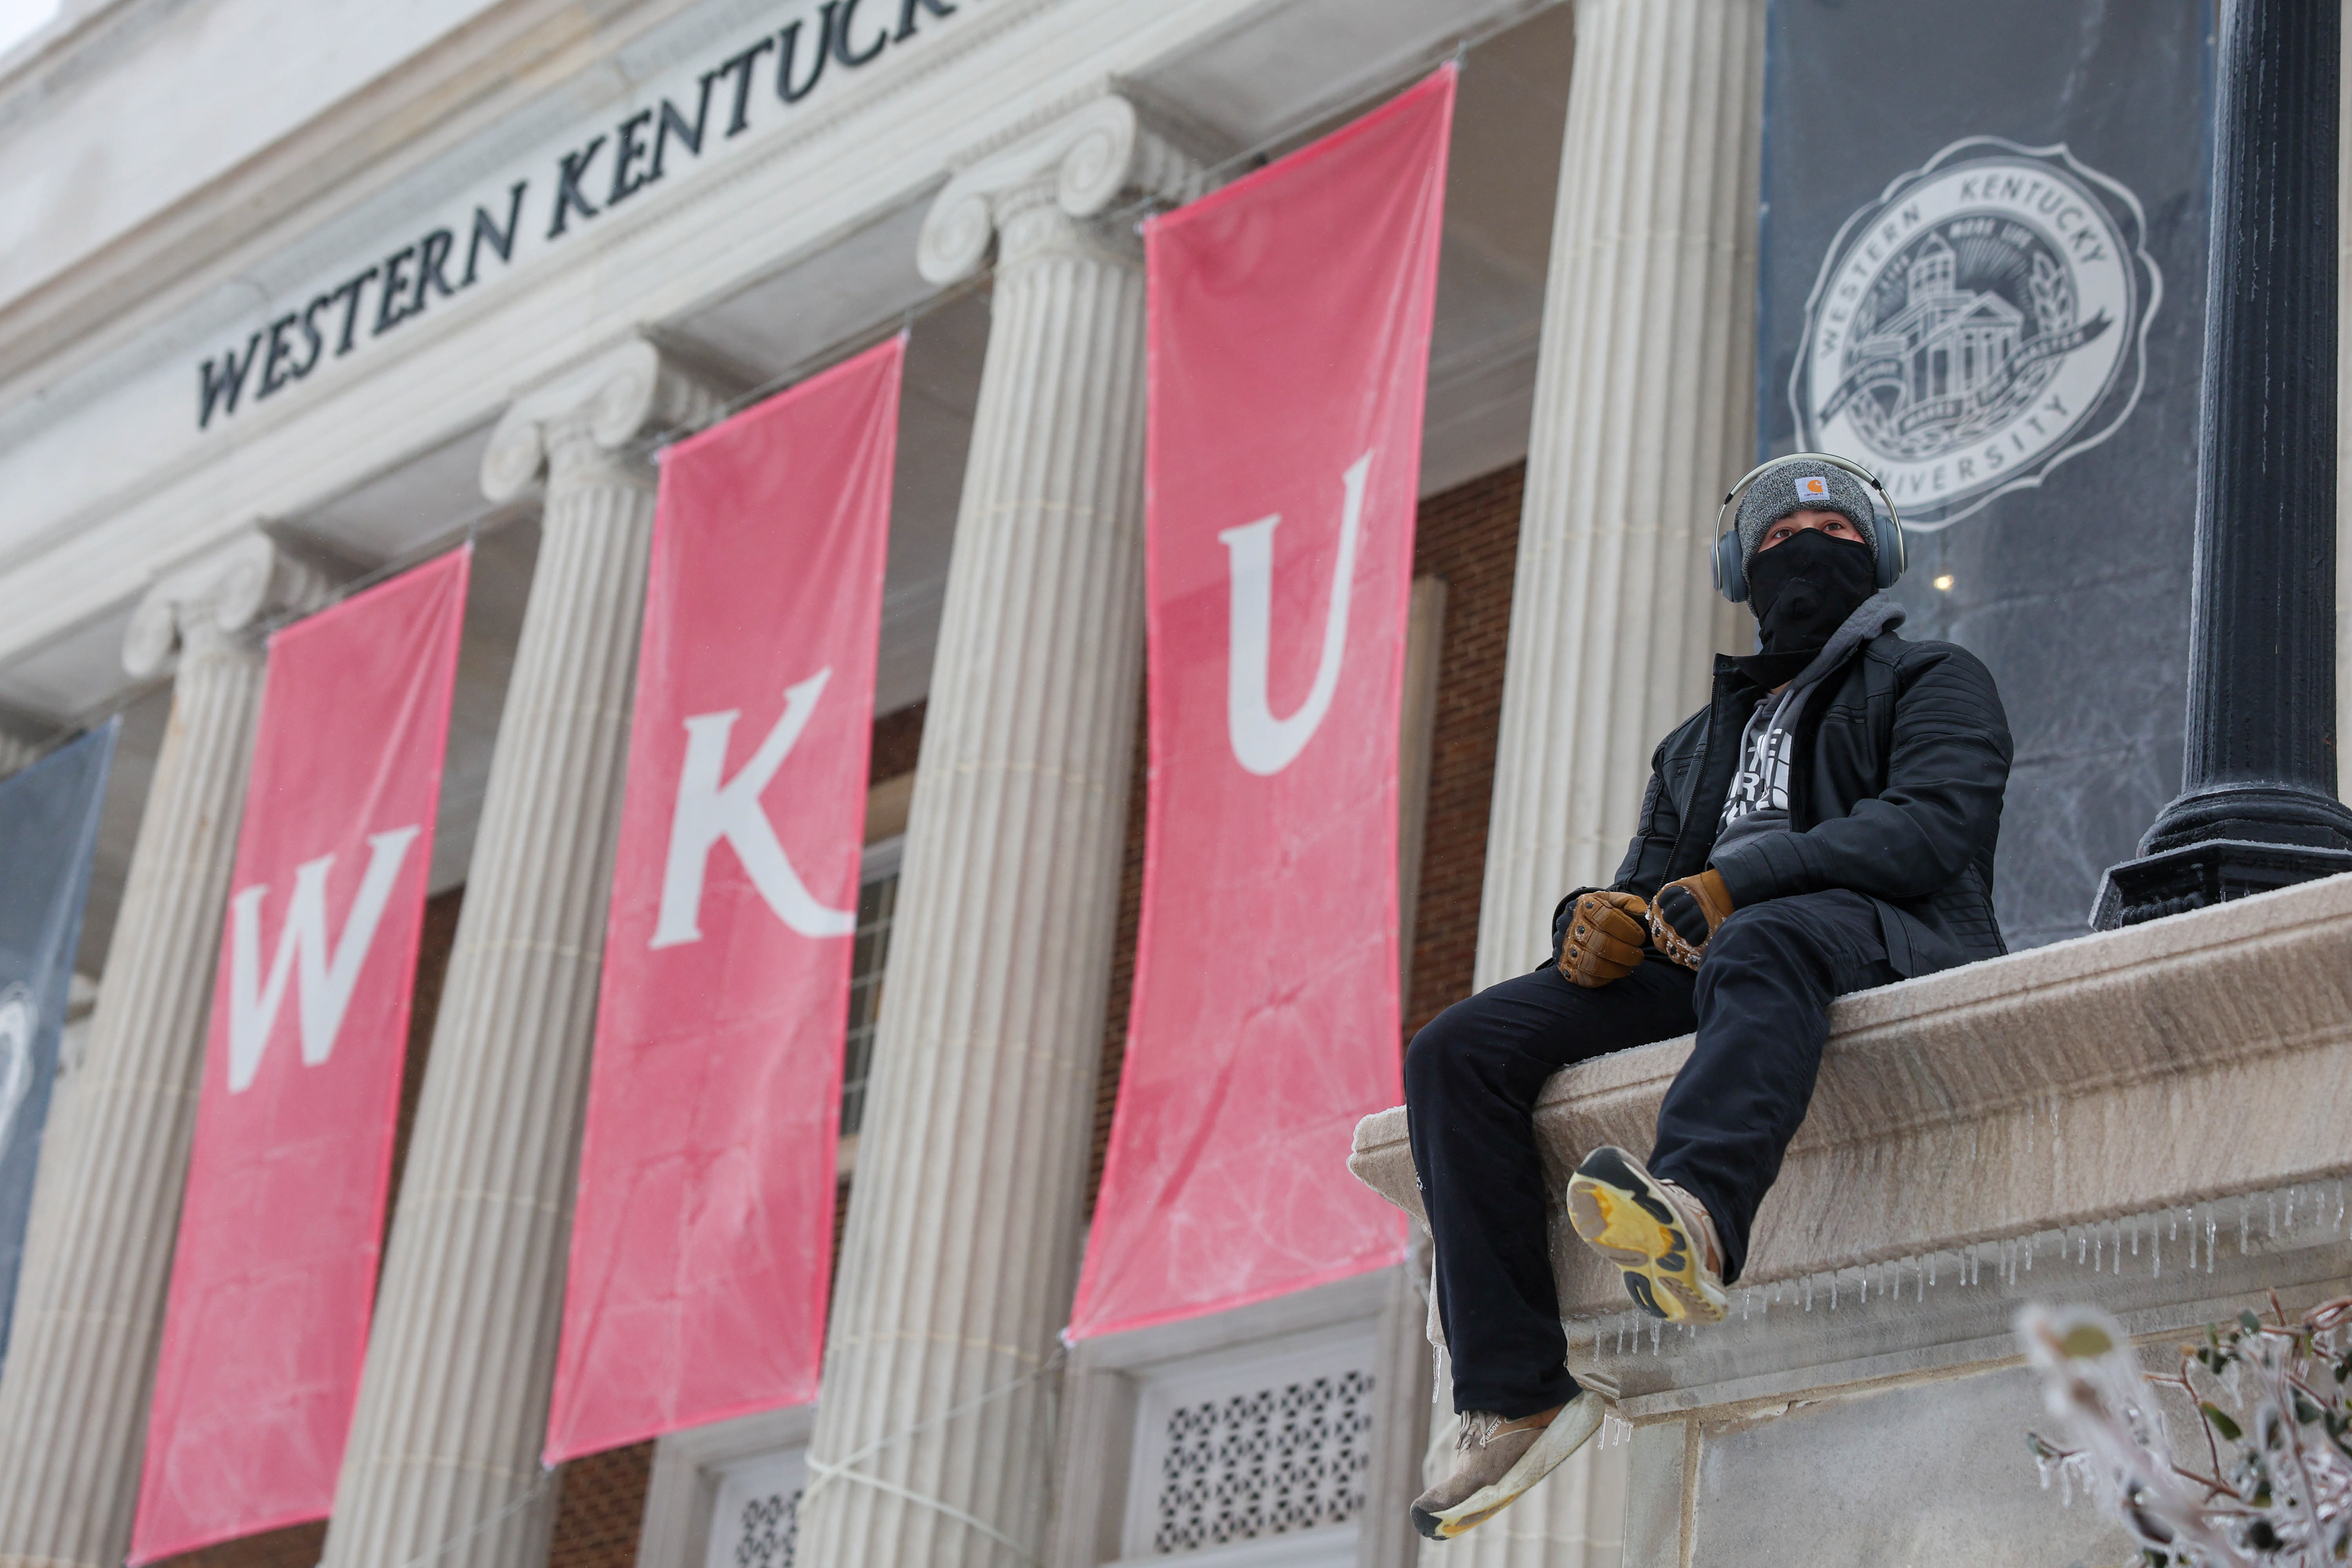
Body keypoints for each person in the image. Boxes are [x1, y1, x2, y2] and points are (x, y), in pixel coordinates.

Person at [1403, 454, 2013, 1541]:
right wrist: (1589, 928)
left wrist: (1745, 882)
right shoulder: (1694, 743)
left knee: (1762, 940)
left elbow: (1932, 828)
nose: (1805, 546)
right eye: (1779, 538)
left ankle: (1697, 1214)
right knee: (1459, 1048)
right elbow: (1646, 885)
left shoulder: (1933, 678)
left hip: (1874, 933)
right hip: (1714, 961)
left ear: (1875, 559)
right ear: (1743, 572)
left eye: (1832, 527)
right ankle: (1517, 1393)